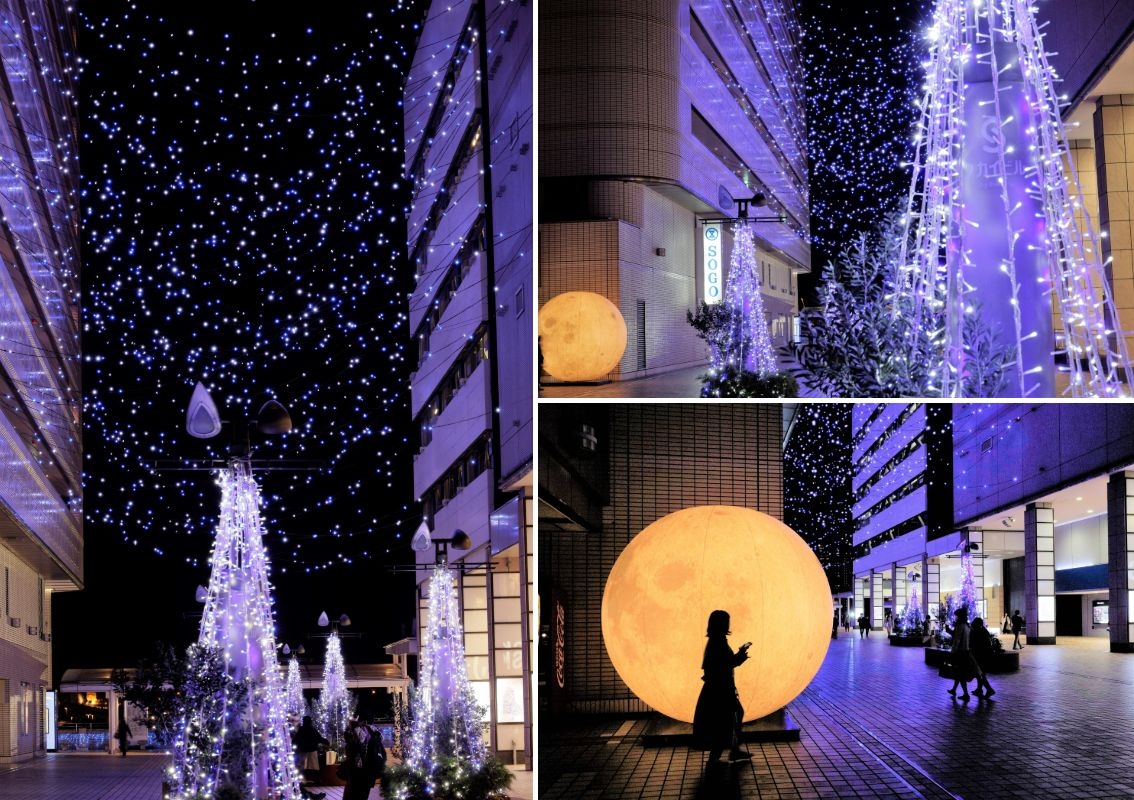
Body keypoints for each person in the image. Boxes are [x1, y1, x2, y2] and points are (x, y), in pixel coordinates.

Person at [692, 609, 752, 766]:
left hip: (718, 688)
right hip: (720, 689)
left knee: (724, 719)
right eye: (726, 621)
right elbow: (723, 665)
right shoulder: (717, 642)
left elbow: (722, 664)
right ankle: (728, 752)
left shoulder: (716, 640)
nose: (728, 624)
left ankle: (724, 753)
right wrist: (740, 656)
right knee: (730, 716)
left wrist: (739, 656)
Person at [343, 714, 386, 800]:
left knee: (353, 792)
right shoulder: (374, 730)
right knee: (364, 792)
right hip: (371, 767)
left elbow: (352, 742)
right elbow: (381, 740)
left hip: (358, 767)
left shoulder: (357, 730)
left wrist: (352, 726)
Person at [294, 715, 329, 796]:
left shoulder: (301, 730)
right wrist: (326, 742)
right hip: (312, 751)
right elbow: (319, 738)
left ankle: (303, 782)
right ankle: (317, 781)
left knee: (302, 768)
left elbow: (296, 739)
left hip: (303, 751)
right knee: (315, 767)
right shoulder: (312, 730)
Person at [947, 608, 974, 700]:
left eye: (957, 616)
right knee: (959, 673)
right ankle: (954, 689)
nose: (955, 618)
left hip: (960, 652)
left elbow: (957, 640)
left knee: (960, 673)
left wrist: (953, 652)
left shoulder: (960, 626)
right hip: (965, 651)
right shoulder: (967, 626)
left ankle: (966, 694)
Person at [969, 617, 996, 698]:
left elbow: (973, 643)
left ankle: (989, 689)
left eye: (974, 622)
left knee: (979, 673)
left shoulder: (977, 632)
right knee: (980, 673)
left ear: (977, 624)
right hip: (984, 655)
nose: (972, 623)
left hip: (979, 655)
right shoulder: (983, 630)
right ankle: (979, 689)